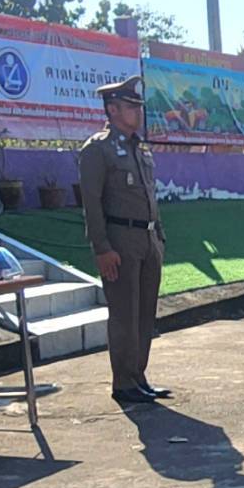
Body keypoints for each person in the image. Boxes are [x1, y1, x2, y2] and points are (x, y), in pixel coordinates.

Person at [78, 75, 170, 405]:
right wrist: (102, 247)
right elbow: (91, 202)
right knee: (124, 313)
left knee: (145, 313)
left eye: (138, 107)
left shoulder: (139, 148)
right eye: (131, 107)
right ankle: (123, 381)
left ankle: (138, 376)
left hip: (147, 238)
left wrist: (159, 237)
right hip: (120, 239)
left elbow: (149, 195)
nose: (137, 112)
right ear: (112, 109)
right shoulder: (98, 149)